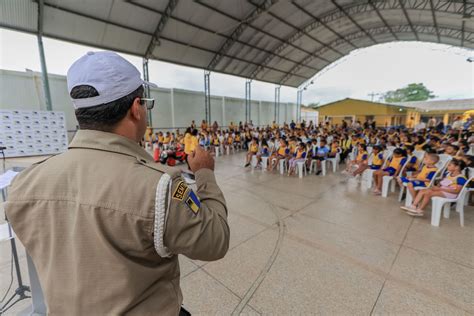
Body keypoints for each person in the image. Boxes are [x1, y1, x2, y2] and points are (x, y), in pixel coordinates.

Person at [5, 51, 230, 315]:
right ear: (136, 108)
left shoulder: (24, 184)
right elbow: (216, 240)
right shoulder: (158, 187)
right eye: (146, 104)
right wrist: (205, 174)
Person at [402, 159, 468, 216]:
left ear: (457, 167)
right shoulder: (448, 174)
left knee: (429, 193)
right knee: (423, 190)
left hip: (450, 194)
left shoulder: (460, 178)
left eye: (449, 165)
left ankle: (420, 210)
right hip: (442, 190)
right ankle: (413, 206)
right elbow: (443, 182)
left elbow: (457, 191)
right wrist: (437, 186)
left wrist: (439, 189)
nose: (447, 166)